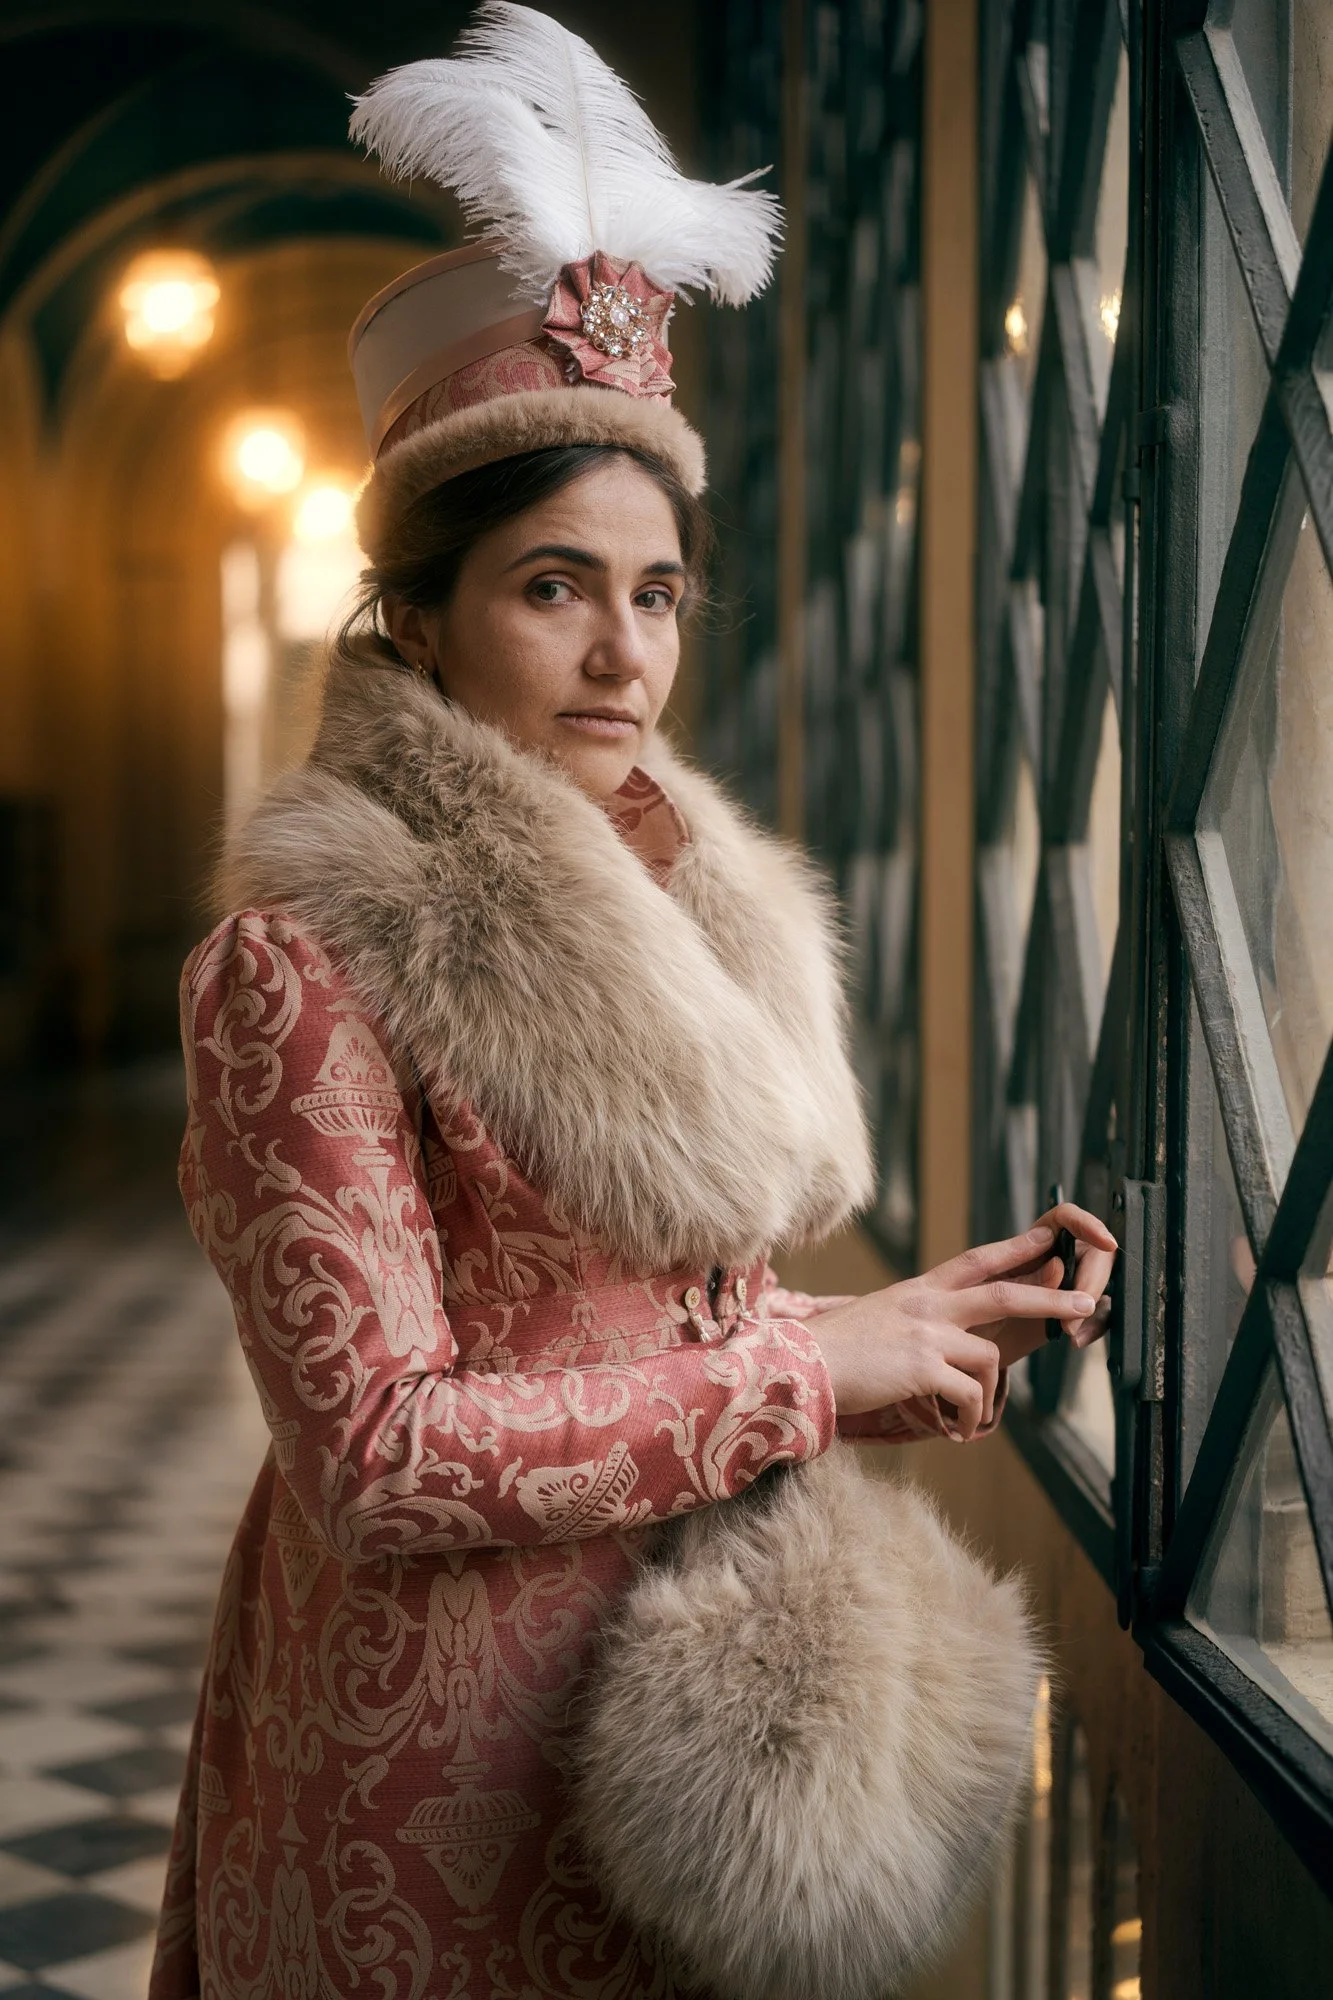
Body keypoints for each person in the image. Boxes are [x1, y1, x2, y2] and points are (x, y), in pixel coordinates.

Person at [149, 9, 1116, 1996]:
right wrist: (798, 1380)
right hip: (442, 1759)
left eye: (657, 589)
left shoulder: (684, 892)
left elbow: (642, 1310)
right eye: (550, 586)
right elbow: (384, 1453)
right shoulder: (299, 961)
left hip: (693, 1710)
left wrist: (892, 1322)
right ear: (415, 618)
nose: (623, 658)